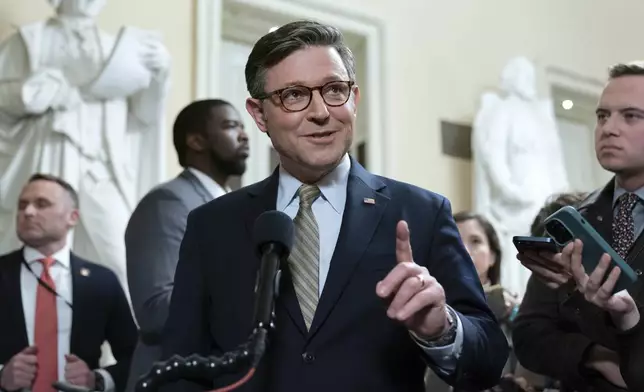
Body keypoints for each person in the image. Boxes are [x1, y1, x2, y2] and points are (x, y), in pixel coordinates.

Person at [161, 20, 508, 392]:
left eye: (334, 90)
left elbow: (488, 357)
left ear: (354, 99)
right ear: (259, 114)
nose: (321, 112)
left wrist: (443, 328)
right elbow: (181, 369)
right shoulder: (212, 225)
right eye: (294, 95)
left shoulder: (421, 213)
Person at [0, 0, 171, 295]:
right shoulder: (30, 40)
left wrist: (160, 76)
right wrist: (38, 89)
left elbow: (143, 117)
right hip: (49, 155)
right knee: (38, 254)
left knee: (123, 257)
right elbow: (5, 99)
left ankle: (134, 337)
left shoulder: (117, 48)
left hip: (99, 167)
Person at [515, 60, 644, 392]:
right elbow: (530, 335)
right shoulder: (570, 219)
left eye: (631, 116)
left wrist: (628, 331)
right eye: (603, 116)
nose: (608, 129)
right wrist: (595, 356)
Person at [124, 99, 249, 391]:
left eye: (243, 127)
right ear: (196, 140)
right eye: (231, 126)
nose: (244, 134)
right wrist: (253, 300)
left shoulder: (237, 207)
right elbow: (156, 310)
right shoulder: (167, 203)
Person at [0, 174, 137, 392]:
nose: (28, 212)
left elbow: (136, 355)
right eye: (22, 205)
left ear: (72, 217)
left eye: (41, 204)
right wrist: (2, 376)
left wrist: (97, 379)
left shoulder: (102, 282)